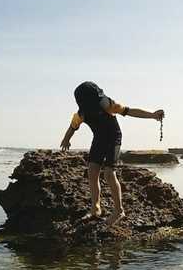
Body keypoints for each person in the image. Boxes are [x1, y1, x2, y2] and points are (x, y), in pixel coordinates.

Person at [60, 81, 164, 226]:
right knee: (92, 171)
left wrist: (152, 115)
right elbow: (72, 127)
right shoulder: (81, 113)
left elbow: (130, 111)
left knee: (109, 173)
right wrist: (66, 140)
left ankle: (119, 211)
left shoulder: (107, 104)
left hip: (114, 138)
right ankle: (96, 208)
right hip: (99, 139)